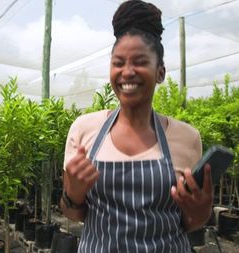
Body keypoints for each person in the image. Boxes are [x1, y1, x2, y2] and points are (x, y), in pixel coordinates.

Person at [60, 0, 213, 252]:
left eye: (140, 62)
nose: (127, 72)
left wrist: (202, 211)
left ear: (160, 72)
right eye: (118, 63)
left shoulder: (187, 137)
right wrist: (72, 194)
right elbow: (72, 213)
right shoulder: (84, 129)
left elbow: (189, 223)